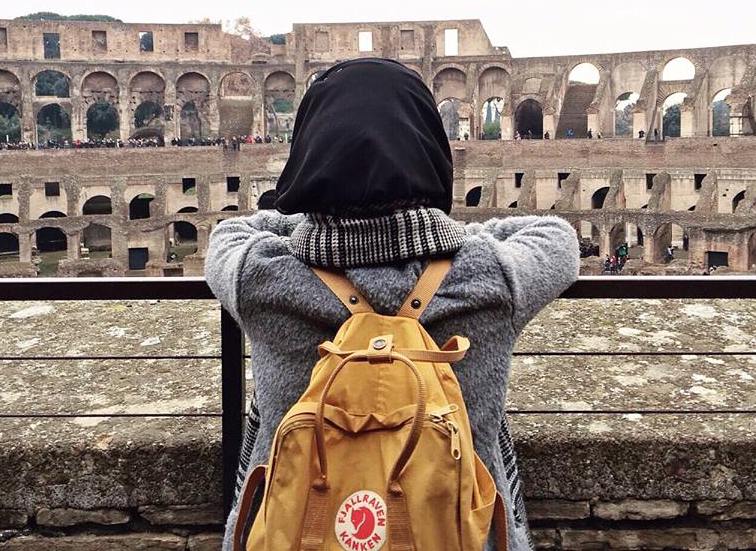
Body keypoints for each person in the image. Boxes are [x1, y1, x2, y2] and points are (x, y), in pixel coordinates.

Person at [205, 58, 579, 551]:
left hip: (297, 532)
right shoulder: (492, 275)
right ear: (428, 147)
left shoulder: (262, 275)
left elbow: (230, 233)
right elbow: (557, 237)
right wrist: (451, 239)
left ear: (310, 154)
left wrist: (305, 225)